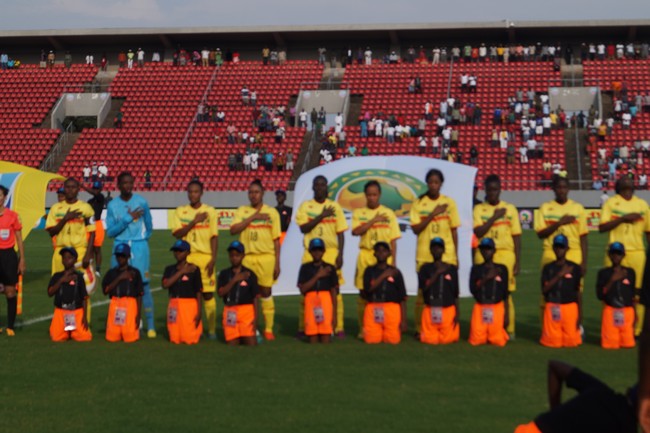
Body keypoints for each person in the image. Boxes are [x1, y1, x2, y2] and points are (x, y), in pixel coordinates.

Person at [513, 360, 639, 433]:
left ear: (628, 391)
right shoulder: (627, 427)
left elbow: (555, 366)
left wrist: (555, 411)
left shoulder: (601, 390)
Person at [295, 175, 348, 338]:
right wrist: (322, 216)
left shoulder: (335, 206)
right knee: (306, 292)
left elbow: (340, 232)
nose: (319, 188)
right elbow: (303, 228)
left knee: (335, 291)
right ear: (312, 187)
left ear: (327, 188)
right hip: (310, 253)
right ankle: (304, 327)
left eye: (322, 185)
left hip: (331, 252)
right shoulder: (306, 206)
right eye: (316, 185)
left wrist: (340, 254)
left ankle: (337, 327)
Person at [409, 169, 460, 337]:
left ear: (441, 184)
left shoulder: (449, 203)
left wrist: (456, 255)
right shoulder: (419, 203)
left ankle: (449, 324)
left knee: (448, 292)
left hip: (447, 254)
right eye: (430, 182)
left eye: (436, 182)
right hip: (424, 253)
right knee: (423, 293)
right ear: (427, 183)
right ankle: (420, 328)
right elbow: (416, 229)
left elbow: (454, 231)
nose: (433, 185)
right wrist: (432, 214)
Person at [230, 179, 281, 341]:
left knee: (266, 292)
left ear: (263, 193)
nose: (253, 195)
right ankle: (250, 326)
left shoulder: (272, 213)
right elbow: (233, 230)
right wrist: (253, 217)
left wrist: (277, 263)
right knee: (247, 293)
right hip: (247, 259)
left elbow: (276, 240)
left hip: (266, 257)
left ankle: (268, 328)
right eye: (251, 192)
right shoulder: (242, 211)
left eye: (256, 192)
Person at [106, 172, 155, 338]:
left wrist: (141, 241)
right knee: (118, 283)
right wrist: (128, 218)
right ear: (118, 185)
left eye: (130, 182)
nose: (127, 186)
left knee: (144, 285)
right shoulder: (113, 205)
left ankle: (150, 325)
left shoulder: (141, 202)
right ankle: (119, 323)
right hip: (119, 247)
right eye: (124, 183)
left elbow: (149, 226)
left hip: (139, 248)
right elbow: (110, 232)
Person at [599, 176, 650, 336]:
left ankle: (637, 329)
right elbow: (602, 227)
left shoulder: (642, 205)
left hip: (637, 252)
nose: (627, 180)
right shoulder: (611, 203)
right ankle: (611, 327)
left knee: (638, 293)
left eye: (630, 180)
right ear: (618, 186)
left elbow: (648, 232)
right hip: (615, 254)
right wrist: (623, 218)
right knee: (610, 289)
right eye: (624, 180)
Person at [473, 174, 521, 337]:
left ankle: (509, 329)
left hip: (505, 254)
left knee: (506, 293)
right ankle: (486, 328)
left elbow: (516, 236)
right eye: (489, 189)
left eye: (495, 189)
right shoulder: (479, 209)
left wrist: (517, 261)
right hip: (484, 254)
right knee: (483, 292)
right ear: (485, 190)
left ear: (500, 189)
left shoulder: (510, 209)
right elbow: (478, 232)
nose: (493, 193)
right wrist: (494, 217)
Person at [351, 180, 401, 338]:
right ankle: (363, 328)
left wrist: (393, 261)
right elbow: (356, 231)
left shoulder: (388, 213)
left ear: (379, 195)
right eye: (369, 195)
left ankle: (385, 326)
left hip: (384, 258)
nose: (372, 197)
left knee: (385, 293)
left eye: (374, 194)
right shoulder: (359, 213)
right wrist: (373, 220)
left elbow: (393, 239)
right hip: (366, 255)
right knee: (364, 293)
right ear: (365, 196)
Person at [172, 180, 219, 340]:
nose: (193, 195)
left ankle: (211, 330)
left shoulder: (210, 211)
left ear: (201, 193)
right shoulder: (180, 211)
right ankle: (192, 326)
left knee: (207, 295)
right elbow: (177, 234)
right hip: (188, 259)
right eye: (190, 192)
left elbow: (214, 237)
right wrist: (194, 222)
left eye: (196, 192)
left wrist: (213, 259)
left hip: (205, 258)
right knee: (190, 295)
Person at [45, 178, 96, 323]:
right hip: (60, 252)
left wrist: (88, 254)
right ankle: (61, 322)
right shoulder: (56, 208)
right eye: (67, 187)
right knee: (58, 285)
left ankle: (84, 321)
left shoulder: (86, 208)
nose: (70, 190)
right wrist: (65, 219)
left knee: (83, 288)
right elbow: (51, 231)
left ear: (78, 189)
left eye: (73, 187)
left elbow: (92, 232)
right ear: (64, 189)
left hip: (79, 252)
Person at [540, 235, 582, 348]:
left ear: (567, 248)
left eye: (562, 247)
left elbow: (578, 291)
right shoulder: (548, 268)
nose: (559, 250)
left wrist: (579, 316)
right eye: (557, 247)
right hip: (553, 306)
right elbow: (544, 290)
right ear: (553, 248)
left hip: (570, 308)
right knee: (552, 343)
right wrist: (560, 275)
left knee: (571, 343)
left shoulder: (575, 268)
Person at [362, 242, 407, 344]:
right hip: (373, 306)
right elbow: (368, 289)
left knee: (392, 341)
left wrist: (403, 320)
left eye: (384, 251)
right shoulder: (369, 271)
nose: (381, 253)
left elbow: (402, 297)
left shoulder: (395, 272)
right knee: (371, 340)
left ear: (389, 254)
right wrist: (384, 275)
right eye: (378, 251)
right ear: (374, 254)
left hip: (391, 308)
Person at [417, 237, 460, 345]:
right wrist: (437, 273)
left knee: (447, 340)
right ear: (430, 250)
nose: (437, 250)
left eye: (439, 248)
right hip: (430, 308)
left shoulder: (452, 269)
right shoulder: (425, 269)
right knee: (429, 340)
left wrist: (457, 312)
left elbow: (455, 293)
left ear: (444, 250)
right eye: (434, 248)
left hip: (447, 309)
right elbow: (424, 288)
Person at [469, 238, 509, 346]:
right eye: (483, 249)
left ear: (494, 250)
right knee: (476, 340)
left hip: (496, 307)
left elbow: (505, 293)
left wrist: (507, 315)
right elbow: (472, 289)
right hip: (480, 306)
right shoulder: (476, 269)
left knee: (497, 341)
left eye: (489, 249)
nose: (486, 251)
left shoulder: (502, 269)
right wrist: (487, 277)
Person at [217, 241, 259, 346]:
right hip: (230, 309)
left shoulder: (250, 274)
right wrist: (235, 279)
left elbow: (255, 298)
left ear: (243, 256)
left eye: (237, 255)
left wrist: (256, 319)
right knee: (232, 344)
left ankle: (246, 333)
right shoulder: (224, 274)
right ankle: (237, 334)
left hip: (246, 311)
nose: (234, 258)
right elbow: (221, 293)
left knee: (251, 344)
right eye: (232, 255)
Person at [297, 238, 339, 344]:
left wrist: (334, 315)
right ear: (310, 251)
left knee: (326, 337)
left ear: (324, 251)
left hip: (325, 300)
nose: (317, 252)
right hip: (311, 300)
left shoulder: (330, 268)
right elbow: (303, 289)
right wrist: (318, 276)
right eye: (314, 250)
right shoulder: (305, 268)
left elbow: (334, 291)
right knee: (312, 338)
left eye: (319, 250)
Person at [596, 242, 636, 349]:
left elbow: (632, 295)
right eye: (613, 253)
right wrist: (612, 280)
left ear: (623, 255)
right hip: (610, 312)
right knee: (610, 345)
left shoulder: (630, 272)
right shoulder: (603, 273)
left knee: (628, 344)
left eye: (618, 254)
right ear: (609, 255)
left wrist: (635, 313)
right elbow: (600, 295)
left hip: (627, 312)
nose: (615, 256)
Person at [47, 247, 92, 342]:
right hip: (61, 311)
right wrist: (62, 280)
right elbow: (50, 292)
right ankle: (64, 330)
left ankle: (73, 331)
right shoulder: (57, 276)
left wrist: (84, 317)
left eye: (69, 258)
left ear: (75, 260)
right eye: (64, 258)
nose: (66, 260)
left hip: (76, 312)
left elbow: (84, 298)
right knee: (56, 338)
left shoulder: (79, 277)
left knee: (85, 337)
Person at [162, 240, 203, 345]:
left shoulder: (194, 269)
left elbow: (198, 291)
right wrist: (182, 272)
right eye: (175, 251)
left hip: (189, 306)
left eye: (180, 251)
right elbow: (165, 285)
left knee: (189, 338)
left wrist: (199, 311)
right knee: (174, 338)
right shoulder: (169, 269)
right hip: (174, 305)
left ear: (187, 253)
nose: (177, 253)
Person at [102, 243, 143, 343]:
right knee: (112, 338)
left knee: (130, 338)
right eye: (118, 255)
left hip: (130, 305)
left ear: (128, 256)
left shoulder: (135, 273)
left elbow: (139, 295)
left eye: (123, 255)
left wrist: (138, 315)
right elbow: (106, 291)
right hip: (115, 303)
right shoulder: (111, 273)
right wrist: (120, 278)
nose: (120, 258)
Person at [0, 185, 25, 336]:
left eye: (0, 195)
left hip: (9, 256)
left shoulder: (13, 216)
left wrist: (22, 259)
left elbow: (19, 239)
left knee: (10, 292)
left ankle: (10, 326)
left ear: (4, 197)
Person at [82, 181, 106, 275]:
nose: (96, 190)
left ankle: (98, 269)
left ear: (100, 189)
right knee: (89, 248)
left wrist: (82, 186)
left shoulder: (101, 197)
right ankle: (90, 267)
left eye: (97, 188)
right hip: (89, 224)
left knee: (97, 248)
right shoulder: (89, 201)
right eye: (94, 188)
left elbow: (95, 194)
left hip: (97, 223)